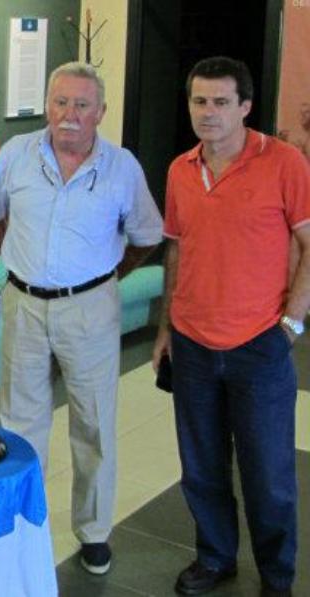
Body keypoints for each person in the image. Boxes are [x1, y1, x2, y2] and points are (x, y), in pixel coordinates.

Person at [0, 61, 163, 575]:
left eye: (82, 105)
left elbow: (146, 236)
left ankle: (94, 531)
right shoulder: (16, 154)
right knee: (19, 421)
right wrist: (13, 251)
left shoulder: (122, 167)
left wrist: (106, 278)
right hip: (24, 302)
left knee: (94, 422)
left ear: (101, 111)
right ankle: (18, 522)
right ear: (48, 106)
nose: (69, 115)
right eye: (60, 102)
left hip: (91, 307)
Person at [151, 57, 310, 597]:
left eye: (221, 102)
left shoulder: (284, 162)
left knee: (268, 476)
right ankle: (215, 558)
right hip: (192, 344)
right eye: (199, 101)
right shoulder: (179, 169)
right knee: (201, 468)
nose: (208, 113)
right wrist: (166, 327)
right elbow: (177, 250)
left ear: (245, 106)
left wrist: (291, 322)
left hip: (259, 345)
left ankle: (277, 576)